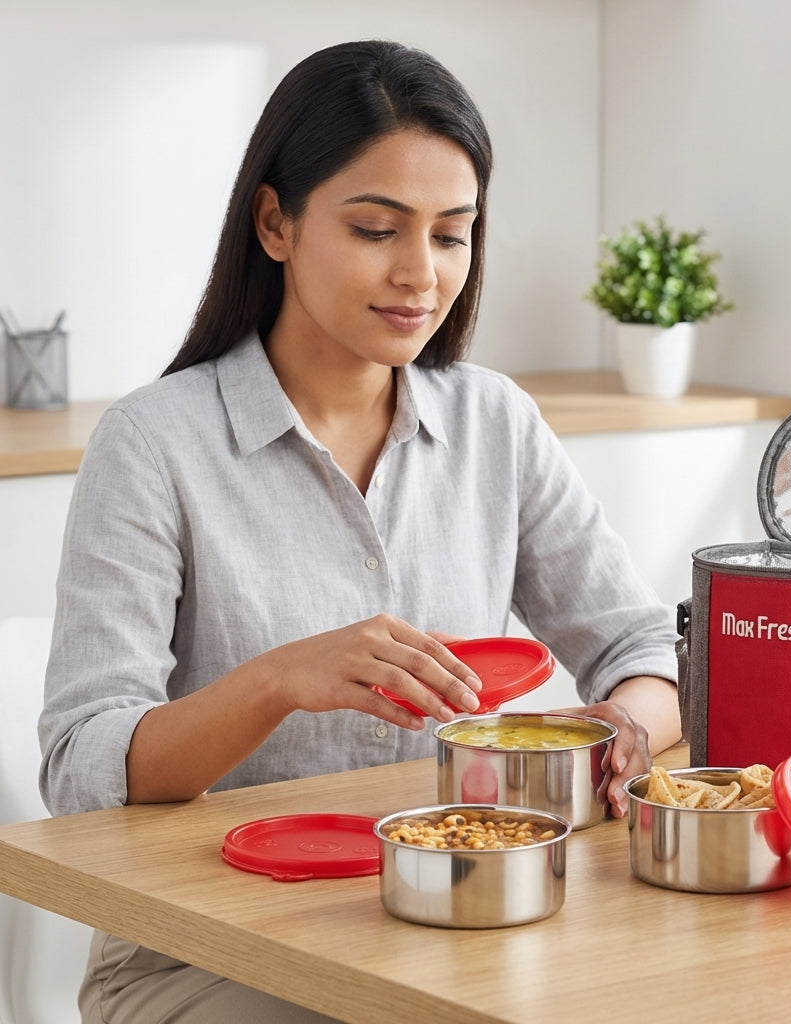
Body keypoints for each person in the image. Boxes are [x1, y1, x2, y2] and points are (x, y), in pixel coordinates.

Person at [38, 39, 680, 1023]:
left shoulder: (493, 423)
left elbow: (643, 647)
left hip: (463, 924)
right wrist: (275, 681)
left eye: (453, 234)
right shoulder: (153, 442)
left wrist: (622, 730)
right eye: (378, 228)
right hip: (209, 949)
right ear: (275, 222)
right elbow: (83, 769)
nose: (420, 274)